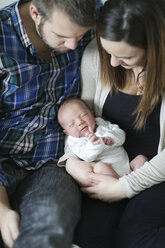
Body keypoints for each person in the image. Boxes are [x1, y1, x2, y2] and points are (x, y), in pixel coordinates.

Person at [0, 0, 102, 247]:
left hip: (52, 163)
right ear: (35, 13)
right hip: (3, 159)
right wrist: (2, 210)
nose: (73, 46)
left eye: (81, 36)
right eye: (62, 36)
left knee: (48, 228)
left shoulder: (97, 15)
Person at [64, 0, 165, 247]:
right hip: (108, 167)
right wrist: (71, 161)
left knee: (136, 238)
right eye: (108, 51)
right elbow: (79, 118)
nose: (112, 63)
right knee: (87, 236)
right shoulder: (94, 56)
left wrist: (124, 187)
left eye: (125, 56)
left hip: (157, 172)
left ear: (155, 46)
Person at [58, 98, 148, 179]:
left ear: (92, 114)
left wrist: (111, 138)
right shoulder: (74, 141)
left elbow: (121, 135)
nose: (79, 122)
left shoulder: (101, 123)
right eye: (72, 124)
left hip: (127, 168)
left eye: (83, 115)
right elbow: (87, 156)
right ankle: (119, 184)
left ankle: (133, 181)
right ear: (67, 132)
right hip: (108, 173)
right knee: (99, 168)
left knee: (141, 159)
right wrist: (94, 143)